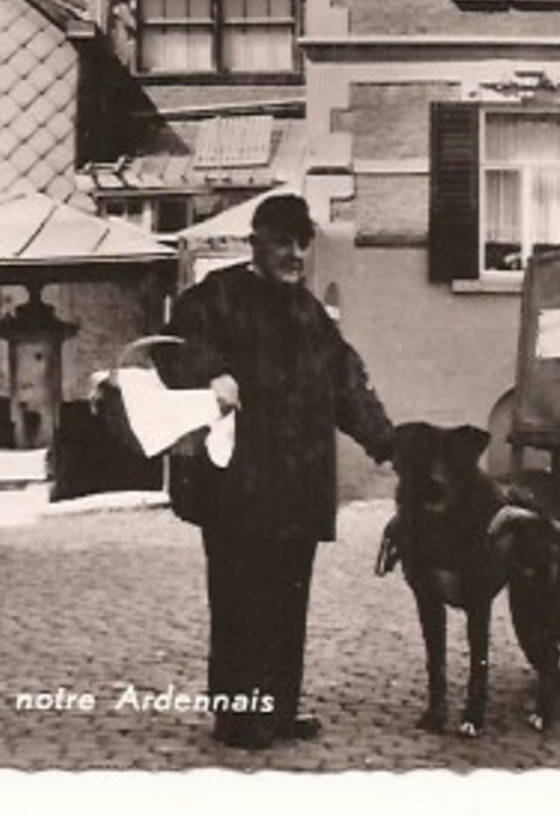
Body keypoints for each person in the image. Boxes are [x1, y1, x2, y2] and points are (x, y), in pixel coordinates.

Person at [158, 194, 394, 751]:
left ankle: (280, 710)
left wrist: (386, 442)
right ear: (256, 241)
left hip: (299, 489)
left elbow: (347, 385)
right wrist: (210, 371)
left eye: (302, 243)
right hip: (238, 487)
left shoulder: (310, 315)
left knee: (289, 600)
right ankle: (239, 718)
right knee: (240, 600)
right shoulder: (213, 299)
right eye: (283, 242)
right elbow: (172, 352)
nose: (294, 254)